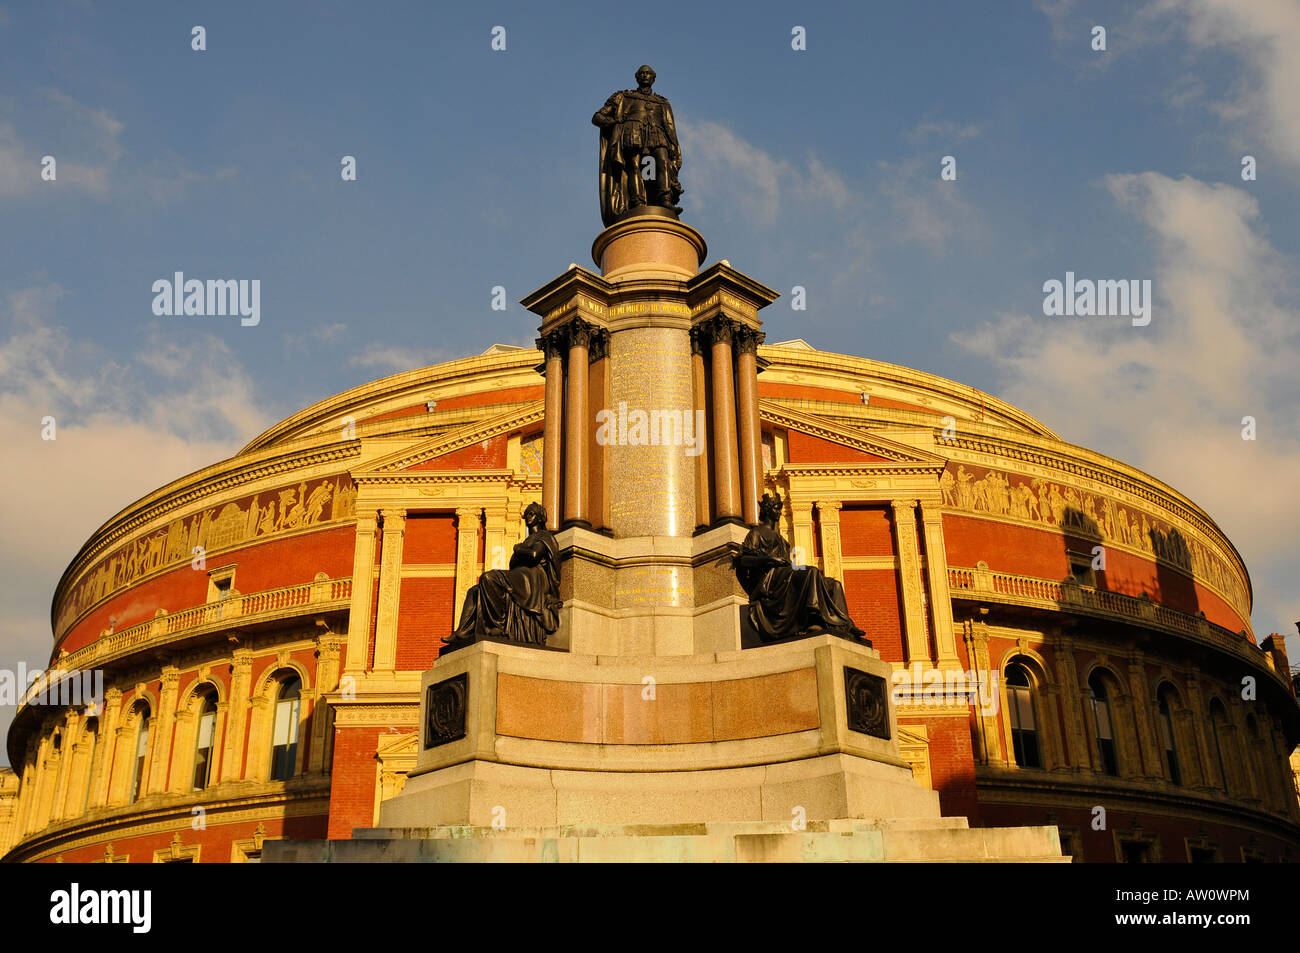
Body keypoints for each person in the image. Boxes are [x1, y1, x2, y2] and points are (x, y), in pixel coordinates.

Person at [735, 493, 869, 644]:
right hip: (770, 579)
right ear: (767, 510)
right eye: (776, 508)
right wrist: (769, 559)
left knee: (834, 585)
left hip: (784, 578)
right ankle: (813, 618)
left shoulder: (781, 539)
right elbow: (745, 560)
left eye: (779, 508)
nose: (779, 511)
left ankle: (845, 625)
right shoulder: (756, 533)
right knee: (811, 572)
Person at [441, 502, 561, 651]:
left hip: (532, 579)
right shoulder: (528, 540)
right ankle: (462, 632)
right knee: (474, 591)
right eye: (526, 514)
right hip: (520, 577)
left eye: (531, 514)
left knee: (489, 578)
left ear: (540, 517)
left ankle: (497, 626)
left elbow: (534, 555)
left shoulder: (544, 536)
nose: (526, 517)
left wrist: (518, 549)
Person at [592, 65, 683, 226]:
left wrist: (675, 150)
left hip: (657, 134)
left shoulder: (662, 102)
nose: (645, 76)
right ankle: (637, 201)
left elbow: (670, 127)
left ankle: (664, 199)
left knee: (661, 163)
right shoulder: (624, 97)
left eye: (648, 74)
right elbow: (598, 117)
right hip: (633, 132)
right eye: (642, 73)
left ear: (654, 78)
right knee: (634, 166)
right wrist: (614, 122)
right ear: (636, 77)